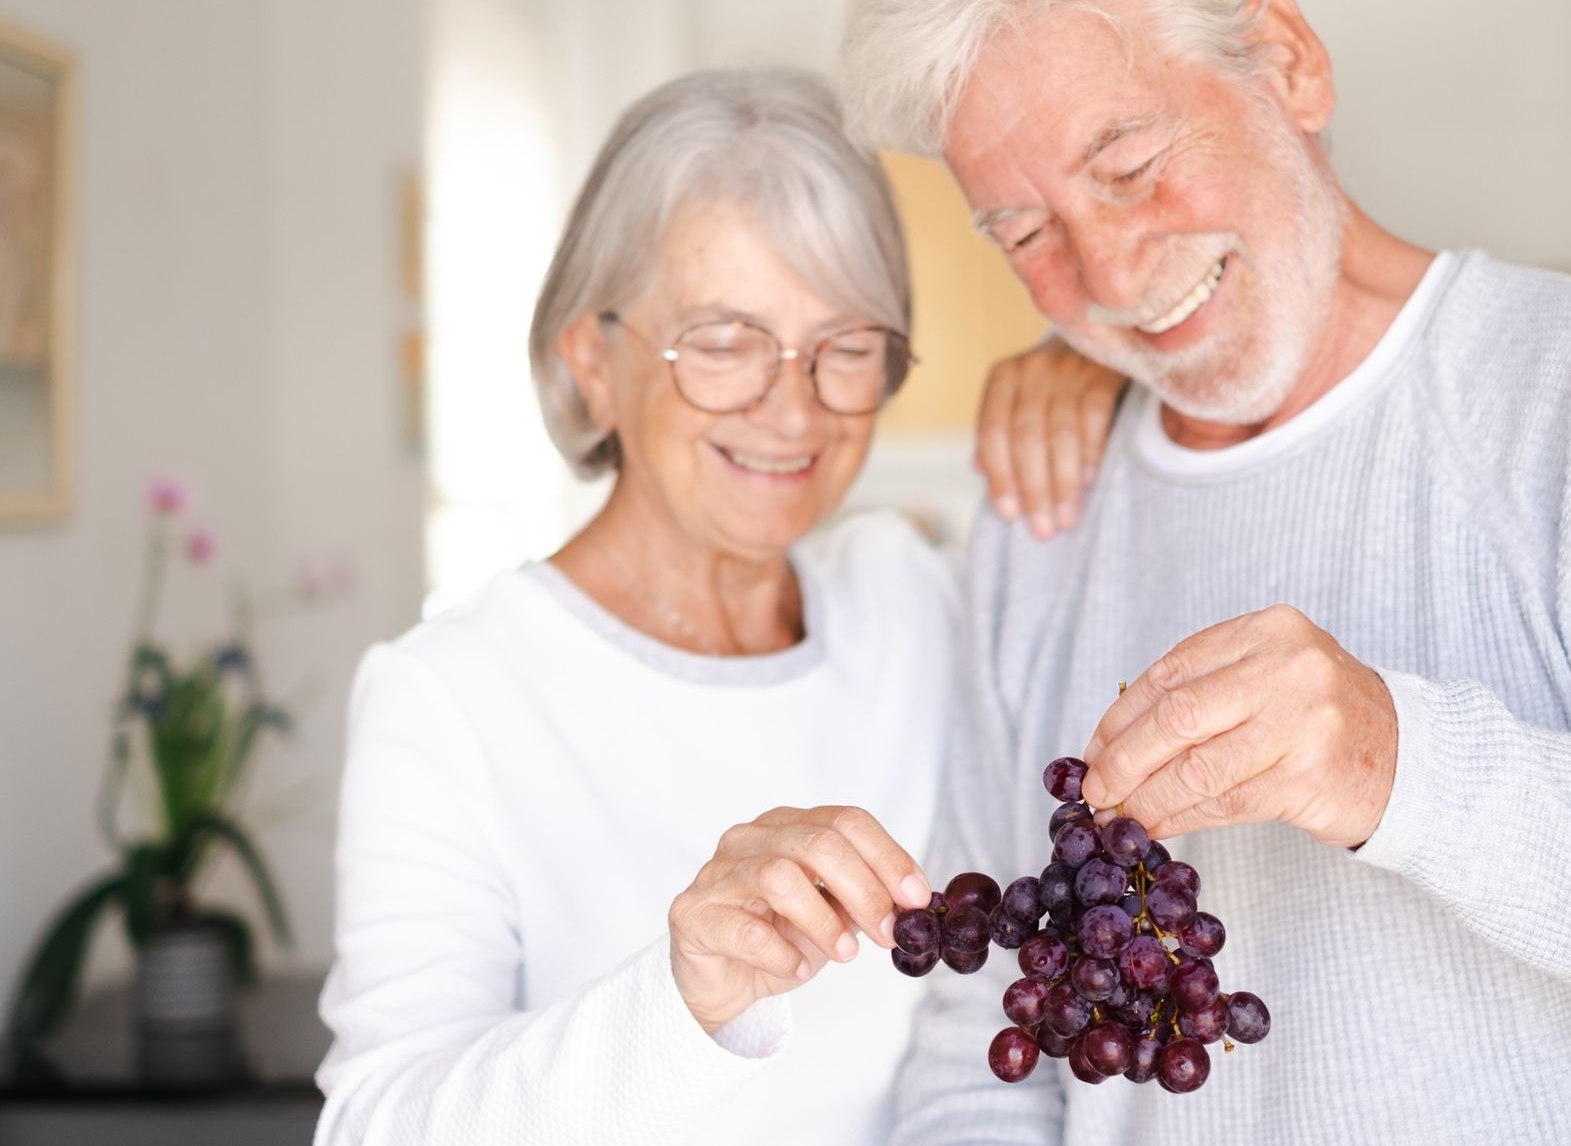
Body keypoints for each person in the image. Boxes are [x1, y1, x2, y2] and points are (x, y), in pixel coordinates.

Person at [837, 0, 1571, 1141]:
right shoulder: (1042, 509)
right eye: (1023, 230)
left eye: (1129, 161)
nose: (1105, 267)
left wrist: (1405, 768)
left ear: (1287, 59)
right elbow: (984, 1032)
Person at [311, 67, 1123, 1145]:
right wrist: (680, 994)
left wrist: (1109, 368)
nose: (791, 409)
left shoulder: (907, 596)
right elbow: (376, 1126)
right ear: (591, 363)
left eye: (843, 347)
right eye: (724, 342)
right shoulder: (450, 693)